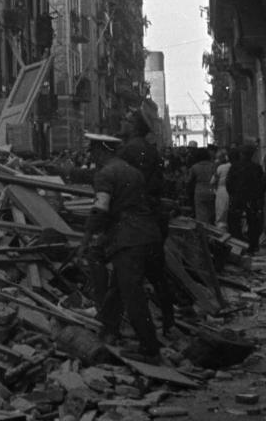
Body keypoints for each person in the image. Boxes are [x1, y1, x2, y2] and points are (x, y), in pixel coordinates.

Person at [77, 132, 162, 363]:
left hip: (127, 238)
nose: (92, 156)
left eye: (93, 151)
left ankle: (149, 347)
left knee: (131, 293)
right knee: (117, 289)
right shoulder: (133, 172)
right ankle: (109, 331)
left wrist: (86, 240)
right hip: (147, 234)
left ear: (102, 151)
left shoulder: (105, 174)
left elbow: (100, 209)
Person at [117, 109, 175, 335]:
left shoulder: (129, 150)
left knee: (128, 279)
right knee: (157, 275)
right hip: (152, 217)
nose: (123, 122)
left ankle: (142, 334)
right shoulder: (149, 150)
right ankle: (168, 321)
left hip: (134, 220)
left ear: (135, 127)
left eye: (128, 120)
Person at [226, 143, 266, 253]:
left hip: (237, 199)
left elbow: (229, 183)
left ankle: (237, 246)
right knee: (253, 223)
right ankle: (253, 246)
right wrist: (258, 196)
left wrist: (233, 195)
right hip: (252, 200)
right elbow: (263, 184)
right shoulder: (256, 167)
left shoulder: (234, 167)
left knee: (235, 222)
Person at [186, 148, 215, 224]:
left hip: (199, 191)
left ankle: (204, 232)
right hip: (212, 190)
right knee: (211, 214)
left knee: (201, 215)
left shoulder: (194, 167)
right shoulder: (213, 165)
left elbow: (188, 180)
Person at [211, 149, 232, 231]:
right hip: (231, 191)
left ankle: (221, 233)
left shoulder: (220, 167)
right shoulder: (231, 166)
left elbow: (213, 181)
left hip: (221, 191)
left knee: (221, 213)